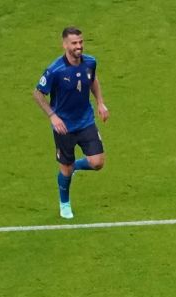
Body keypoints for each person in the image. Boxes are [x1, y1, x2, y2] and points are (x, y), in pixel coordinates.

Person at [33, 27, 109, 220]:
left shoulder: (90, 62)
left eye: (81, 42)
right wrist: (52, 115)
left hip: (85, 121)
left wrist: (100, 102)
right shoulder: (55, 70)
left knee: (97, 162)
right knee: (65, 169)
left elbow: (93, 80)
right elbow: (37, 93)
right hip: (64, 127)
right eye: (74, 43)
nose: (79, 46)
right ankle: (64, 203)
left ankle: (75, 166)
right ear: (65, 45)